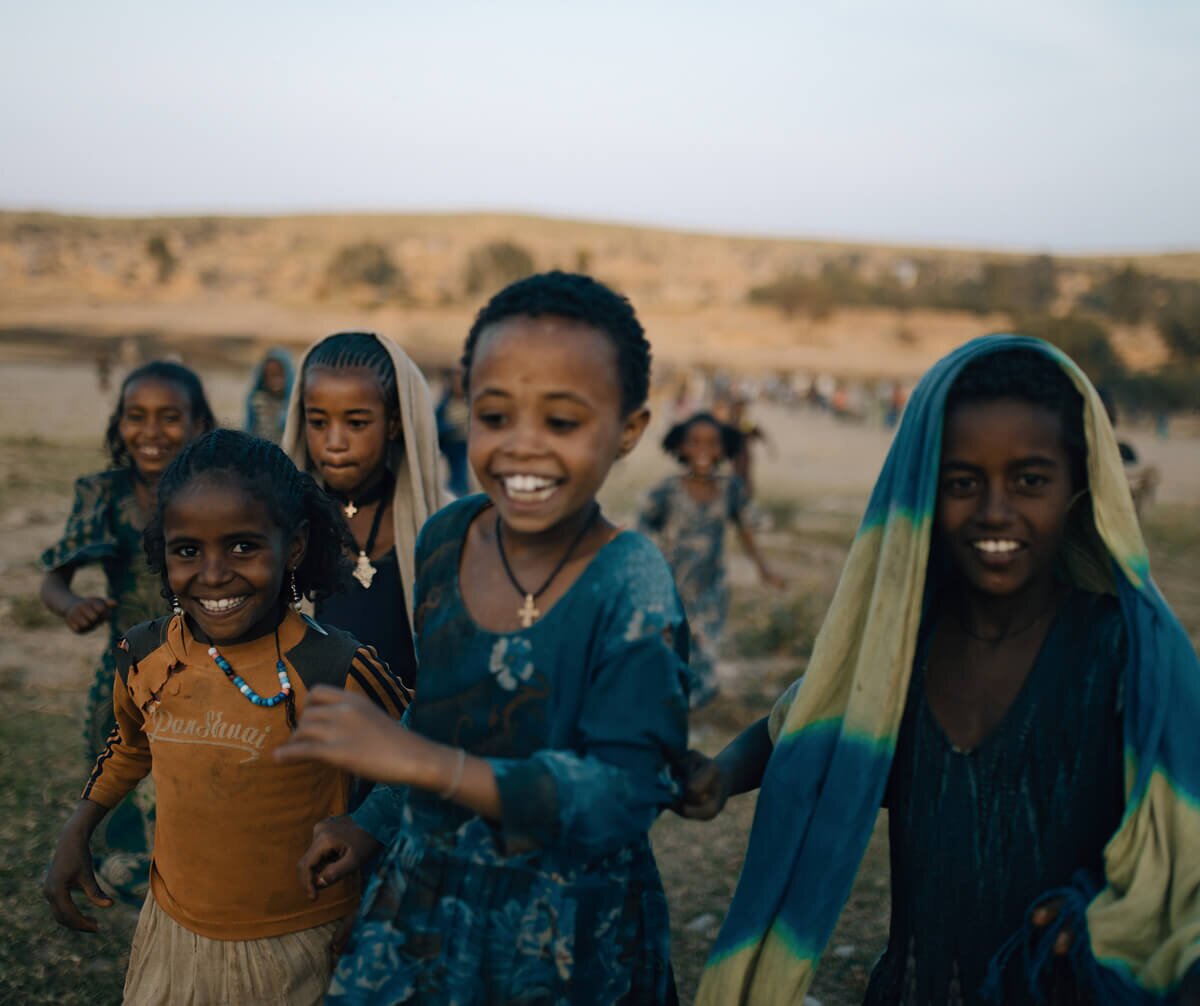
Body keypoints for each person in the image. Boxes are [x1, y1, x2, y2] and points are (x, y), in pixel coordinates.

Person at [680, 336, 1200, 1005]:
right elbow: (804, 725)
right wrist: (719, 776)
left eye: (1030, 480)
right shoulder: (900, 648)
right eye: (962, 482)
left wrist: (1110, 919)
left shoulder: (1128, 651)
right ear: (922, 490)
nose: (994, 509)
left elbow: (1182, 854)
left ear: (1080, 487)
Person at [276, 271, 691, 1005]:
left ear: (629, 431)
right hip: (427, 903)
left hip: (563, 930)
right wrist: (373, 822)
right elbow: (436, 709)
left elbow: (622, 795)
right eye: (496, 417)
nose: (521, 449)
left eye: (562, 423)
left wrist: (429, 766)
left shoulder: (631, 581)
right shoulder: (444, 539)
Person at [43, 430, 409, 1006]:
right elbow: (132, 745)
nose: (213, 574)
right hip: (173, 937)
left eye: (243, 547)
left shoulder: (335, 666)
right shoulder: (146, 653)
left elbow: (421, 757)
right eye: (187, 550)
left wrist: (371, 832)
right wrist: (80, 824)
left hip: (297, 947)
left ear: (293, 546)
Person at [39, 360, 215, 904]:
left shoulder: (214, 491)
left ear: (198, 423)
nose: (151, 431)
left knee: (202, 772)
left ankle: (198, 875)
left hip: (205, 665)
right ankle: (136, 877)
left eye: (169, 417)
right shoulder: (104, 492)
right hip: (126, 668)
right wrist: (73, 605)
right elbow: (54, 576)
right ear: (119, 424)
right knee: (112, 760)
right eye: (136, 416)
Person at [282, 331, 446, 692]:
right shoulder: (281, 527)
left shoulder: (445, 527)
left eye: (356, 423)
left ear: (394, 423)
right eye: (319, 422)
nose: (335, 442)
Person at [639, 411, 783, 709]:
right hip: (669, 589)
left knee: (705, 655)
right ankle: (663, 706)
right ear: (679, 447)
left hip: (710, 591)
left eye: (712, 443)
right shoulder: (668, 490)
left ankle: (686, 711)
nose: (703, 450)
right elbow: (643, 526)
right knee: (666, 649)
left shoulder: (730, 489)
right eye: (694, 442)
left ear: (724, 448)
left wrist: (764, 570)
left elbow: (744, 529)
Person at [244, 347, 295, 444]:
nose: (275, 380)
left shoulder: (295, 403)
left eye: (278, 374)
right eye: (271, 375)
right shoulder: (257, 401)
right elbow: (250, 428)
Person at [435, 366, 471, 497]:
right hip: (448, 443)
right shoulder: (446, 403)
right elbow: (437, 423)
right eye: (455, 380)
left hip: (464, 445)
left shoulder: (471, 403)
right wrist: (449, 428)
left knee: (460, 474)